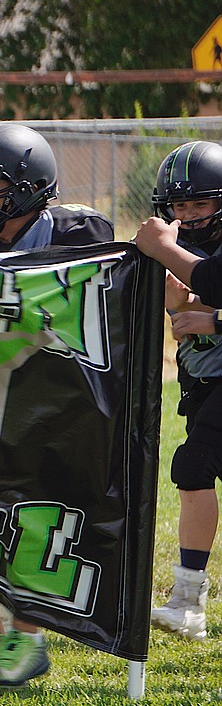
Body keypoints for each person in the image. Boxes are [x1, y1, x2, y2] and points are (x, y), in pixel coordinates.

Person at [0, 122, 114, 689]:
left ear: (29, 184)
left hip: (66, 407)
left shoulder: (80, 230)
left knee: (27, 512)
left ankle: (28, 637)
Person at [137, 140, 222, 641]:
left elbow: (216, 284)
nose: (187, 216)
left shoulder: (185, 251)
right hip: (203, 381)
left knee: (192, 465)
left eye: (200, 204)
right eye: (179, 206)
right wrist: (175, 308)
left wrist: (214, 320)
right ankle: (190, 599)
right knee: (195, 469)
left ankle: (189, 600)